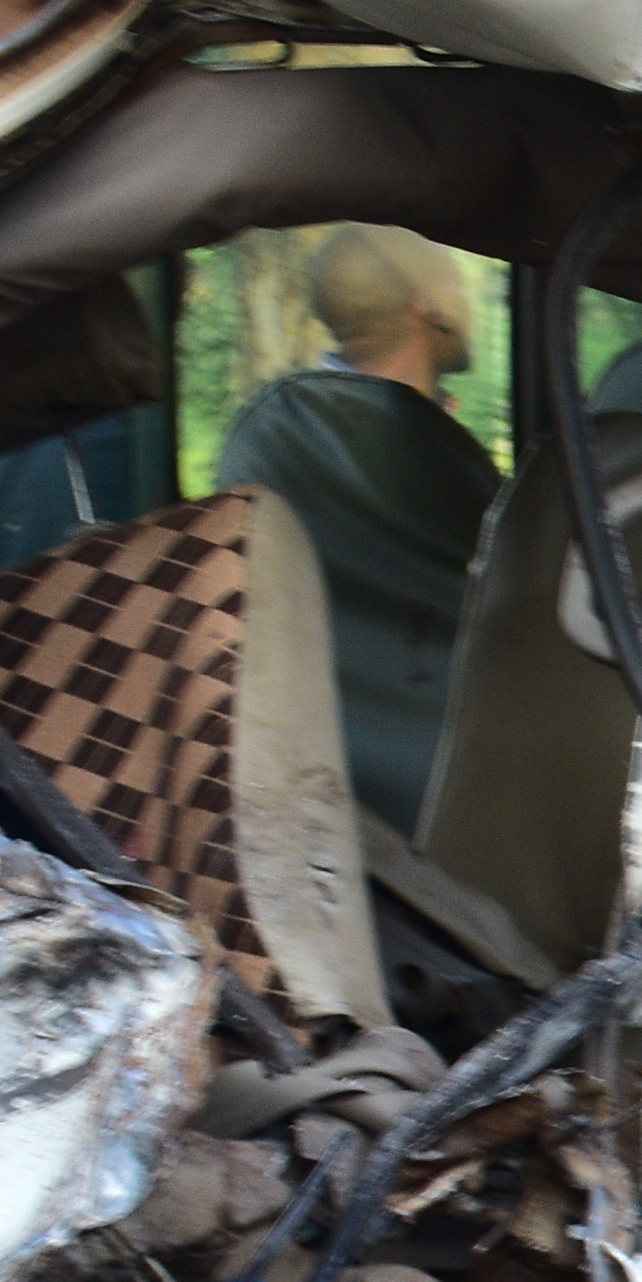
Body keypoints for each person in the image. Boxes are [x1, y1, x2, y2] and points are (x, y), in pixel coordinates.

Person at [213, 224, 503, 829]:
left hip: (300, 795)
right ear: (426, 307)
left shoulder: (276, 438)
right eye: (455, 285)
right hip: (460, 796)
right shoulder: (452, 470)